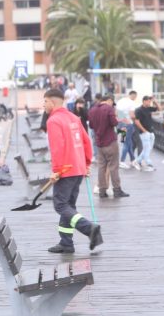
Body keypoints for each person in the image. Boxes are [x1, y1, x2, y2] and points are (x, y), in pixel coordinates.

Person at [42, 89, 103, 254]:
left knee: (61, 205)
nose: (44, 105)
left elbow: (57, 148)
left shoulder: (53, 120)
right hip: (78, 168)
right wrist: (87, 163)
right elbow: (86, 142)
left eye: (45, 101)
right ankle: (66, 243)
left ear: (52, 102)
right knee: (69, 206)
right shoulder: (74, 118)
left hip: (65, 170)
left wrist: (56, 171)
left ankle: (90, 229)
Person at [88, 94, 130, 198]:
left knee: (101, 167)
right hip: (110, 141)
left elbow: (91, 126)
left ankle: (102, 191)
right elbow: (114, 123)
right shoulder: (109, 109)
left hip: (99, 143)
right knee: (113, 166)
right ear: (110, 100)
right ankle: (117, 190)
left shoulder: (92, 110)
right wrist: (116, 117)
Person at [133, 96, 159, 171]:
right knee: (147, 148)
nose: (149, 103)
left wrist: (155, 101)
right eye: (148, 101)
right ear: (144, 101)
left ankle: (136, 161)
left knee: (148, 149)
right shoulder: (138, 110)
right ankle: (149, 164)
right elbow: (137, 122)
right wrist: (144, 131)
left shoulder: (149, 108)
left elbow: (159, 109)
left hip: (151, 131)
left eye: (150, 101)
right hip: (143, 132)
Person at [116, 91, 138, 169]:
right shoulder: (131, 103)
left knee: (128, 142)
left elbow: (117, 113)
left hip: (121, 124)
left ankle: (133, 160)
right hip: (128, 125)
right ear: (134, 96)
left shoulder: (120, 101)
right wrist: (136, 119)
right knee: (126, 143)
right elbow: (132, 115)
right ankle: (122, 161)